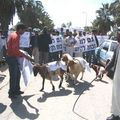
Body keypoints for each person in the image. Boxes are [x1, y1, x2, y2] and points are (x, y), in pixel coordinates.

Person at [6, 23, 34, 99]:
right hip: (12, 58)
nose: (25, 32)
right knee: (14, 76)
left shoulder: (15, 35)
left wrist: (23, 54)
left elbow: (15, 49)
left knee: (18, 74)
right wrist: (26, 56)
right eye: (24, 30)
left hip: (13, 57)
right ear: (20, 29)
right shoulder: (16, 36)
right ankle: (11, 93)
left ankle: (16, 90)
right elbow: (15, 50)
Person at [102, 27, 120, 120]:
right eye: (117, 34)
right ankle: (116, 114)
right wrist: (105, 69)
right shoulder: (117, 46)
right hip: (117, 75)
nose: (117, 36)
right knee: (116, 94)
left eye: (118, 34)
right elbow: (113, 60)